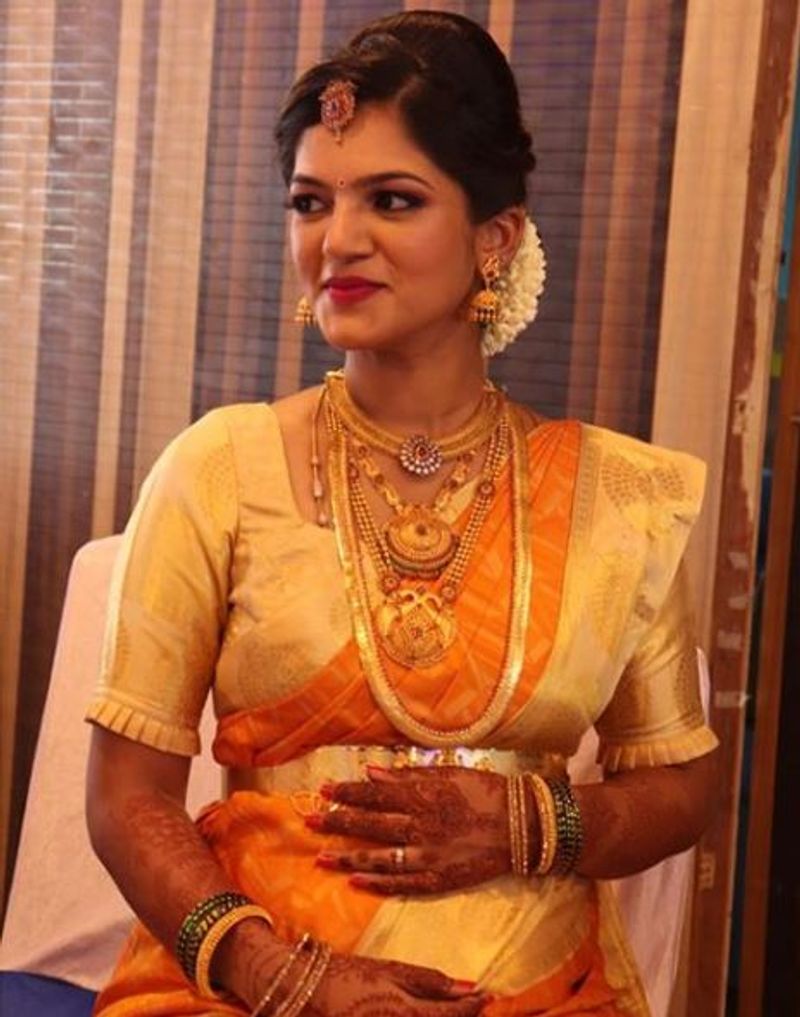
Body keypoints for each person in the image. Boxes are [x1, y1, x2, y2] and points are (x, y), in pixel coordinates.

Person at [84, 11, 719, 1017]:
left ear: (494, 238)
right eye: (310, 202)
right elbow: (127, 797)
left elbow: (680, 792)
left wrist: (527, 824)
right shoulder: (219, 470)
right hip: (256, 991)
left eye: (391, 199)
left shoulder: (617, 501)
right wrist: (281, 975)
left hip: (538, 991)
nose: (337, 240)